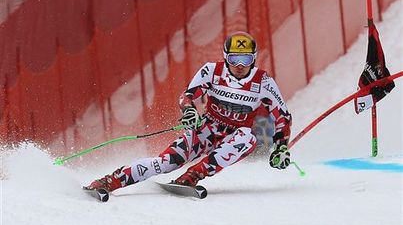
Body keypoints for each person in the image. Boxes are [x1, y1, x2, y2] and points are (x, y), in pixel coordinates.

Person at [86, 31, 292, 192]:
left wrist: (281, 147)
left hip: (237, 134)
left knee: (249, 137)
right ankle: (110, 181)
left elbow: (282, 117)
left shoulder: (263, 81)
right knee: (166, 163)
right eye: (234, 59)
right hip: (206, 129)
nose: (239, 65)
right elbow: (187, 96)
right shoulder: (212, 71)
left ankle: (193, 176)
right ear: (226, 57)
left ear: (253, 59)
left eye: (245, 60)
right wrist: (189, 111)